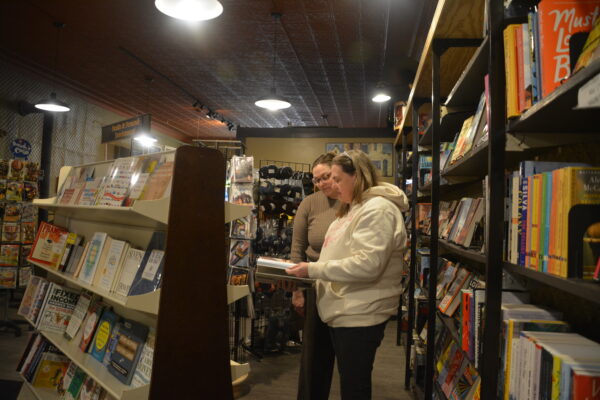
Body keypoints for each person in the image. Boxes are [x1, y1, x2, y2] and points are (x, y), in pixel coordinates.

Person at [287, 149, 408, 400]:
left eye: (338, 179)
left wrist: (312, 269)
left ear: (358, 176)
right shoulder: (353, 208)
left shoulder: (378, 210)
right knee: (350, 382)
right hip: (345, 310)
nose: (332, 185)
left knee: (355, 386)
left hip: (360, 313)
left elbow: (367, 264)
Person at [290, 152, 340, 400]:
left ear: (338, 174)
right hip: (313, 286)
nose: (321, 183)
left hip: (346, 288)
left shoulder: (354, 202)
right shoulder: (309, 203)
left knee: (348, 358)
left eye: (326, 177)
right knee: (313, 357)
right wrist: (297, 290)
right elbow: (297, 249)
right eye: (316, 179)